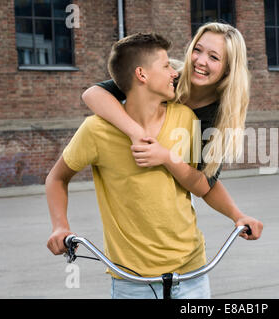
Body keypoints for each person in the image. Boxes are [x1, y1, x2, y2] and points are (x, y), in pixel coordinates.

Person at [47, 33, 215, 299]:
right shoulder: (96, 130)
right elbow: (56, 178)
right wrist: (60, 226)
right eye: (166, 66)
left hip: (192, 273)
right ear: (142, 74)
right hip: (131, 283)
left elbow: (193, 182)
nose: (175, 73)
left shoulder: (185, 118)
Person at [82, 22, 263, 240]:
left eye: (214, 57)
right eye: (197, 50)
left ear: (228, 69)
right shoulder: (166, 76)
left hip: (170, 208)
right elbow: (93, 94)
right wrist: (136, 133)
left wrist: (237, 215)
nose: (200, 61)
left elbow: (204, 183)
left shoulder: (218, 117)